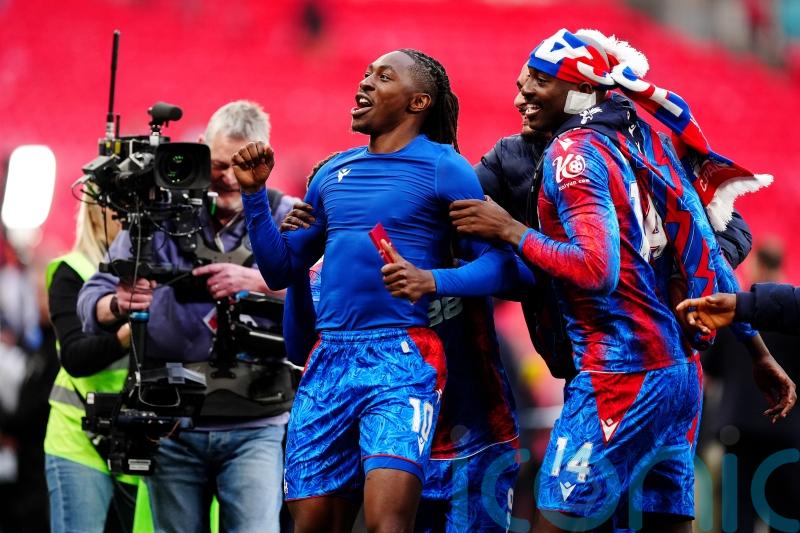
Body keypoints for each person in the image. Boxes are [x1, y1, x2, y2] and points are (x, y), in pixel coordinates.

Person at [449, 29, 795, 531]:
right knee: (661, 522)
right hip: (680, 372)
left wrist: (509, 229)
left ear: (578, 90)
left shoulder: (572, 153)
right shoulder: (647, 140)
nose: (520, 95)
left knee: (556, 521)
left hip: (620, 372)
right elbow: (704, 257)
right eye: (521, 82)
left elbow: (596, 269)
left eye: (539, 82)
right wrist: (758, 352)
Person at [232, 49, 515, 532]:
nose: (364, 84)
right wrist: (255, 195)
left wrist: (432, 280)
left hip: (401, 357)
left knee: (388, 523)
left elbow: (503, 266)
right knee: (313, 526)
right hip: (328, 360)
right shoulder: (330, 173)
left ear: (418, 101)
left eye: (383, 78)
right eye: (366, 75)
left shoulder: (444, 167)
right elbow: (281, 270)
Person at [78, 100, 298, 533]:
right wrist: (121, 303)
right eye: (217, 164)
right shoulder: (159, 217)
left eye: (243, 166)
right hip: (173, 424)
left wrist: (256, 281)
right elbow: (93, 299)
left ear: (265, 159)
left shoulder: (288, 216)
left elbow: (327, 296)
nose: (230, 178)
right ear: (199, 150)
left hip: (258, 421)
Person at [43, 196, 138, 533]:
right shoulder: (73, 270)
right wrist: (128, 335)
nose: (133, 219)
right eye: (123, 211)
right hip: (79, 436)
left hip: (144, 435)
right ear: (98, 215)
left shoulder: (164, 267)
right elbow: (76, 357)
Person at [700, 241, 800, 532]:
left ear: (758, 264)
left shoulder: (737, 311)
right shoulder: (790, 318)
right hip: (786, 430)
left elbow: (711, 368)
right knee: (786, 515)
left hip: (739, 430)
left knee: (737, 515)